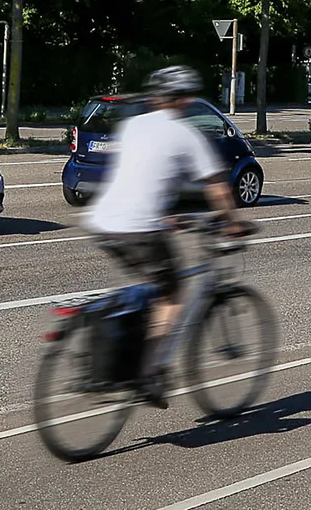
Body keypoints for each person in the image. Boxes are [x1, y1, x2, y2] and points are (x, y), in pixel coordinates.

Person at [86, 65, 248, 406]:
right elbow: (217, 187)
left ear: (158, 97)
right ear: (185, 99)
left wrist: (165, 216)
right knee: (173, 294)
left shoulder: (134, 124)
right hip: (140, 227)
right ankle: (149, 374)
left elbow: (141, 173)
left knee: (150, 287)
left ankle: (126, 347)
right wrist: (232, 223)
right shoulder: (186, 134)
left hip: (103, 221)